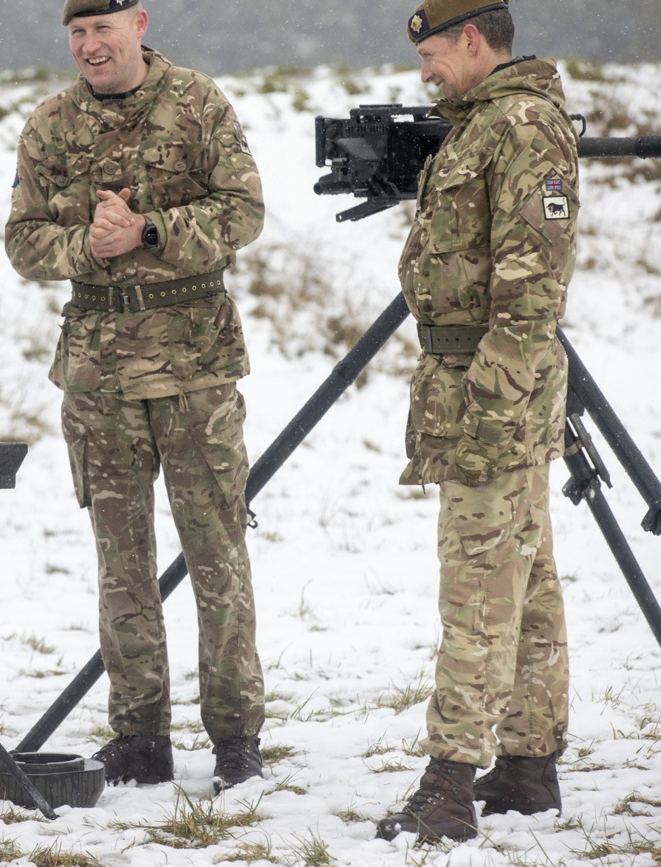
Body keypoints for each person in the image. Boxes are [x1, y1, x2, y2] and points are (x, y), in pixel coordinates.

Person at [4, 0, 267, 792]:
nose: (90, 45)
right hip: (99, 376)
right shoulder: (49, 124)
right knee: (121, 563)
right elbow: (22, 240)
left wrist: (149, 230)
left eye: (103, 29)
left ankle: (234, 737)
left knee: (217, 554)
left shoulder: (197, 102)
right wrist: (88, 241)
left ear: (139, 24)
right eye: (77, 33)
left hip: (194, 369)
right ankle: (140, 735)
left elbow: (244, 211)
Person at [375, 0, 578, 843]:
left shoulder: (522, 125)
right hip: (475, 376)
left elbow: (532, 289)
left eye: (431, 52)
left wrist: (492, 405)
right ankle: (528, 764)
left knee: (477, 583)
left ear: (470, 40)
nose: (424, 70)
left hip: (492, 383)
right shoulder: (482, 124)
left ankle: (448, 781)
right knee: (524, 580)